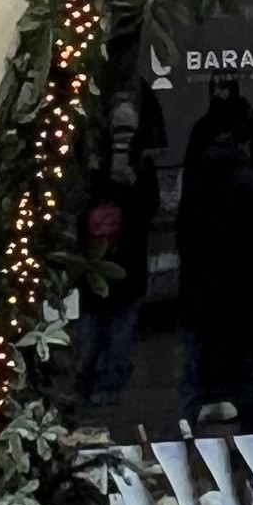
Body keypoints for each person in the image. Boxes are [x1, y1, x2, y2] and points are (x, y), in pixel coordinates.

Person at [173, 72, 253, 429]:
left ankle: (188, 449)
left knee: (196, 378)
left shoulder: (199, 178)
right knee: (246, 382)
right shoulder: (248, 179)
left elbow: (183, 232)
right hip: (240, 286)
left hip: (200, 286)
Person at [70, 82, 163, 421]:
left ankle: (103, 394)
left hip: (121, 267)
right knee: (95, 339)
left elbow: (148, 208)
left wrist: (131, 181)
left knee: (113, 340)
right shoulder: (95, 161)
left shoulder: (141, 165)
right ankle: (87, 391)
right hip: (102, 268)